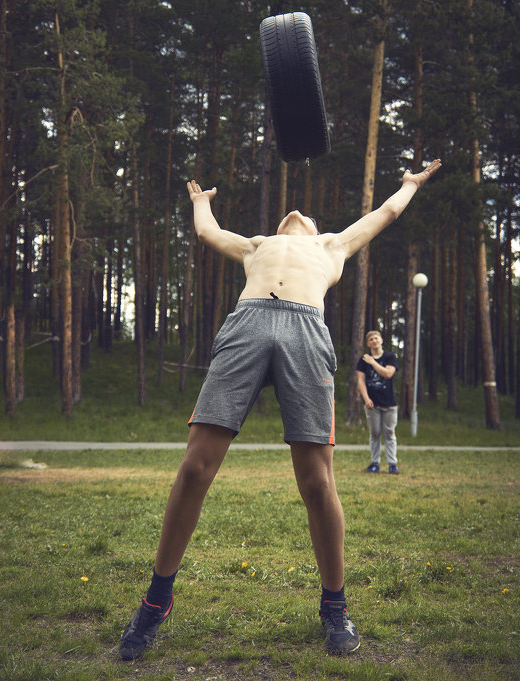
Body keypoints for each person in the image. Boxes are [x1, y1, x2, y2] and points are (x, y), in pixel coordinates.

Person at [119, 158, 441, 662]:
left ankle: (334, 606)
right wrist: (201, 203)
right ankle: (156, 600)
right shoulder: (257, 245)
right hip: (247, 325)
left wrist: (408, 186)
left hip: (306, 333)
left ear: (318, 229)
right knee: (194, 467)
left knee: (317, 481)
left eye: (307, 214)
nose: (297, 213)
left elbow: (384, 214)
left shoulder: (332, 245)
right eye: (291, 214)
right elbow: (209, 233)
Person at [357, 331, 400, 474]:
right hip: (372, 404)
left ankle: (392, 464)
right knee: (374, 433)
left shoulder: (390, 357)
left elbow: (388, 374)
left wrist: (373, 362)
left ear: (381, 340)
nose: (374, 341)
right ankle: (375, 463)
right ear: (368, 343)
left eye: (376, 338)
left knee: (389, 433)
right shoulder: (363, 360)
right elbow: (360, 381)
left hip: (389, 403)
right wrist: (366, 398)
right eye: (371, 339)